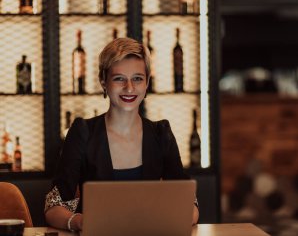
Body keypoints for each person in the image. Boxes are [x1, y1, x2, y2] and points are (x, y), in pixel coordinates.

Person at [44, 37, 199, 231]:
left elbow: (189, 205)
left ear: (147, 82)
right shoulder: (82, 132)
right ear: (103, 81)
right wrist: (80, 221)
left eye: (137, 78)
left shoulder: (161, 134)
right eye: (119, 79)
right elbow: (53, 207)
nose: (129, 88)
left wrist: (180, 215)